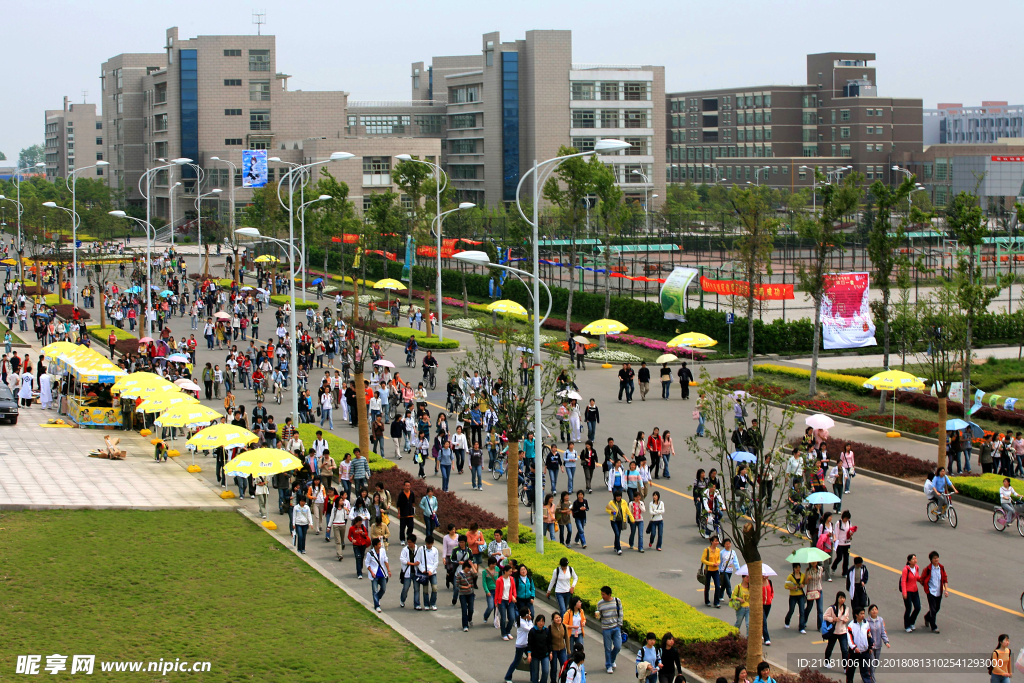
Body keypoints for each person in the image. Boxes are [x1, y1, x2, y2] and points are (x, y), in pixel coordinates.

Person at [595, 586, 624, 675]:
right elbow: (599, 616)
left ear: (609, 594)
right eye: (602, 594)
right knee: (607, 648)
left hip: (616, 627)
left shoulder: (617, 601)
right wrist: (597, 617)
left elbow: (621, 613)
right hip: (606, 628)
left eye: (604, 594)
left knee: (618, 646)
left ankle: (611, 659)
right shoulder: (600, 603)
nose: (602, 596)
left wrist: (619, 624)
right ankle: (609, 665)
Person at [919, 550, 948, 634]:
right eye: (934, 558)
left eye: (937, 558)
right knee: (933, 609)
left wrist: (946, 590)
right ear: (931, 560)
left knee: (937, 608)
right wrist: (926, 588)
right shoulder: (927, 569)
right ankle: (933, 626)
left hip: (939, 592)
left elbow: (945, 579)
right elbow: (922, 580)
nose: (936, 560)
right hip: (931, 592)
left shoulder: (941, 568)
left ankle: (927, 617)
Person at [504, 608, 534, 683]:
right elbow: (531, 629)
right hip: (521, 645)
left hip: (526, 644)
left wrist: (529, 620)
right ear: (526, 615)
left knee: (532, 660)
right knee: (516, 661)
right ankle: (508, 677)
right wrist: (530, 621)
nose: (530, 614)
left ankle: (533, 677)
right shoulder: (522, 622)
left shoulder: (523, 619)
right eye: (529, 613)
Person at [845, 606, 873, 683]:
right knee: (850, 670)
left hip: (864, 652)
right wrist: (854, 648)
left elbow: (869, 635)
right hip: (854, 653)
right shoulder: (851, 625)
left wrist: (870, 646)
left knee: (865, 671)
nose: (863, 615)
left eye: (864, 613)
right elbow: (850, 639)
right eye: (861, 614)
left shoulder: (866, 623)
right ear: (856, 615)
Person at [823, 591, 851, 665]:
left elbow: (847, 617)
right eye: (841, 598)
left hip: (843, 631)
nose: (842, 599)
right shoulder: (832, 608)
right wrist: (833, 619)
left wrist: (846, 620)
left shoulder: (846, 608)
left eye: (843, 598)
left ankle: (845, 666)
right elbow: (825, 616)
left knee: (845, 650)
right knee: (830, 647)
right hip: (834, 632)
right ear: (837, 598)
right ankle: (827, 661)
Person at [365, 537, 390, 613]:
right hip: (374, 574)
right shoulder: (370, 553)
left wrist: (388, 570)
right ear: (375, 545)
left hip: (382, 573)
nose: (380, 545)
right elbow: (367, 563)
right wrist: (371, 572)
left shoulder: (382, 551)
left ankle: (377, 598)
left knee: (383, 589)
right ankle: (377, 605)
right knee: (375, 590)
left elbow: (385, 560)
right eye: (379, 544)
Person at [399, 534, 422, 610]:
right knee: (405, 588)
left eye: (410, 542)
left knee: (416, 589)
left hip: (416, 572)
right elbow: (402, 559)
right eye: (408, 542)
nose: (409, 544)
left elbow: (421, 560)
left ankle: (417, 604)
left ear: (414, 542)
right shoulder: (405, 550)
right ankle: (402, 600)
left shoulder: (418, 550)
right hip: (407, 572)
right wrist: (412, 564)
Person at [605, 490, 633, 556]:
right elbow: (607, 509)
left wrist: (631, 518)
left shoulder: (624, 502)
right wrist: (611, 512)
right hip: (614, 520)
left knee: (618, 534)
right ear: (615, 496)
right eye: (617, 496)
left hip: (621, 521)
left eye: (619, 496)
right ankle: (619, 548)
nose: (618, 497)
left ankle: (615, 546)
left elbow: (627, 511)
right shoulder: (612, 502)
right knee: (617, 533)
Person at [495, 564, 519, 641]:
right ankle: (504, 633)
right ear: (505, 571)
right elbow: (497, 591)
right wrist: (496, 602)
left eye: (511, 572)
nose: (510, 573)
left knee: (512, 618)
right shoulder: (499, 580)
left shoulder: (511, 579)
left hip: (510, 601)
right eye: (509, 571)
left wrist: (514, 596)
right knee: (503, 619)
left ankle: (508, 631)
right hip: (502, 601)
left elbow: (514, 589)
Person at [802, 561, 824, 634]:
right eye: (812, 562)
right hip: (811, 591)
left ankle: (820, 626)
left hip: (818, 590)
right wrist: (808, 578)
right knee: (809, 607)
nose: (813, 563)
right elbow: (805, 582)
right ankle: (804, 621)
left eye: (815, 562)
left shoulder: (820, 569)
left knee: (820, 609)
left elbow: (820, 579)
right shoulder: (808, 570)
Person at [455, 559, 477, 632]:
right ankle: (465, 625)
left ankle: (469, 619)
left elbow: (476, 574)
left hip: (470, 593)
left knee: (471, 609)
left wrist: (472, 566)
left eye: (469, 568)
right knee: (464, 610)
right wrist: (465, 587)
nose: (468, 569)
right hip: (463, 594)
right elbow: (457, 584)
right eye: (467, 568)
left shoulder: (470, 573)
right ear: (464, 567)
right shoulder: (459, 574)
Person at [784, 563, 807, 632]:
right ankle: (787, 621)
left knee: (802, 611)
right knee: (791, 610)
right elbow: (786, 586)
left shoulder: (802, 575)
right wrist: (792, 587)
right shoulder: (790, 576)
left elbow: (804, 583)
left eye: (799, 568)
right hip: (793, 595)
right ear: (794, 568)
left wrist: (803, 585)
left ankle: (801, 627)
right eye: (797, 568)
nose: (798, 569)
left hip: (800, 595)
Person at [865, 604, 890, 668]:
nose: (874, 611)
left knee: (876, 663)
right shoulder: (866, 621)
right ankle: (870, 676)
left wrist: (886, 642)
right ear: (869, 611)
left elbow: (883, 632)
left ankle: (869, 674)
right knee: (871, 662)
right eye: (872, 610)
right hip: (870, 645)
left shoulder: (880, 620)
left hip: (878, 645)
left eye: (875, 609)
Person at [701, 536, 722, 608]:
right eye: (715, 541)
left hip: (715, 570)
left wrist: (718, 563)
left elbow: (719, 559)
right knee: (707, 586)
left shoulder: (718, 550)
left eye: (717, 541)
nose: (717, 542)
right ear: (711, 542)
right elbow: (703, 560)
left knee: (718, 586)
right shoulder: (706, 550)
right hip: (708, 570)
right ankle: (707, 601)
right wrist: (712, 564)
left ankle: (716, 602)